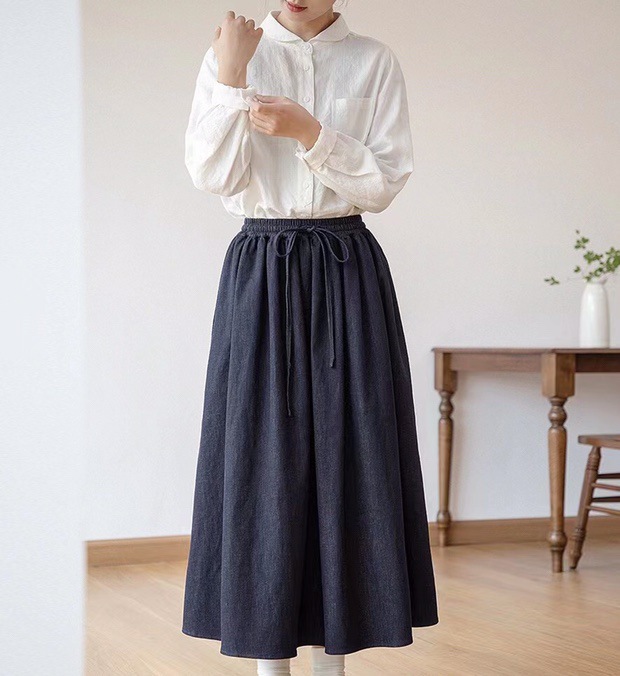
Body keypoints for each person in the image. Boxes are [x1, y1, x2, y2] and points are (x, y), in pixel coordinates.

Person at [181, 2, 439, 675]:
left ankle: (335, 664)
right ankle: (268, 662)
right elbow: (213, 176)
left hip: (346, 265)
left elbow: (381, 184)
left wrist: (309, 132)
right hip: (260, 270)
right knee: (259, 455)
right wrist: (232, 78)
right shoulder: (232, 55)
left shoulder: (373, 60)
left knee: (352, 454)